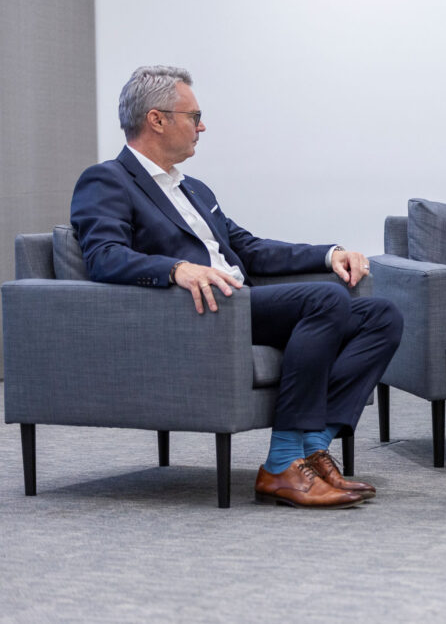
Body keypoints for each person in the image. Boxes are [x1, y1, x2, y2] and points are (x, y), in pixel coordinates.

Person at [70, 66, 402, 509]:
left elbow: (249, 249)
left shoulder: (193, 188)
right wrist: (175, 269)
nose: (201, 126)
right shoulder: (106, 179)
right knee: (324, 299)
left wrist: (330, 253)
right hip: (198, 312)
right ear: (157, 119)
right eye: (194, 115)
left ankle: (312, 447)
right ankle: (281, 463)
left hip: (241, 303)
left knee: (382, 315)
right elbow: (104, 256)